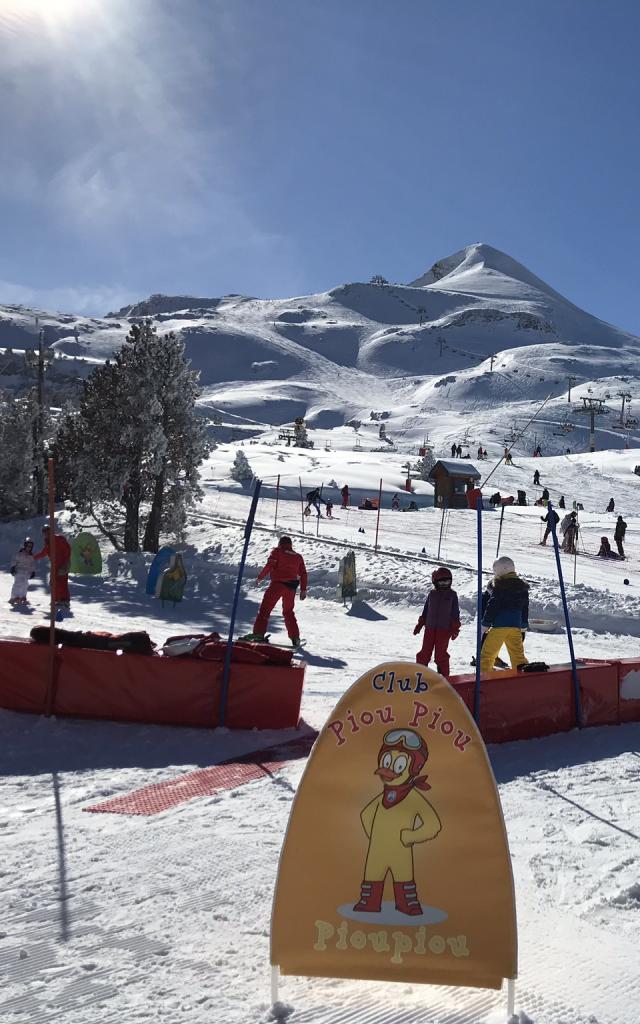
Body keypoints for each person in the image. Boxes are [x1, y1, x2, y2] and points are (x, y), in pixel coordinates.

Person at [252, 536, 307, 647]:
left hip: (277, 585)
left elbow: (269, 565)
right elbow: (304, 574)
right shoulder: (298, 557)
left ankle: (258, 634)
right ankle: (295, 638)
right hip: (291, 588)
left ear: (280, 543)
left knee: (265, 609)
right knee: (288, 612)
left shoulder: (277, 552)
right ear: (290, 544)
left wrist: (260, 578)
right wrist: (303, 589)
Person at [479, 557, 529, 673]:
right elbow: (525, 608)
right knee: (518, 656)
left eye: (495, 571)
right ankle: (523, 676)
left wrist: (485, 623)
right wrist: (523, 626)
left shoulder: (500, 586)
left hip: (499, 627)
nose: (495, 574)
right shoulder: (522, 587)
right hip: (515, 628)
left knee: (488, 654)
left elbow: (492, 606)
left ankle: (484, 676)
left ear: (503, 569)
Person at [413, 566, 460, 679]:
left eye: (447, 581)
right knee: (424, 653)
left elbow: (455, 613)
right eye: (441, 582)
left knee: (441, 655)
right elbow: (426, 610)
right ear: (435, 582)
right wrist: (420, 624)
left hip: (444, 631)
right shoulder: (432, 594)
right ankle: (420, 674)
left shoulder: (452, 595)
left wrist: (455, 628)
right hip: (430, 629)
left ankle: (445, 677)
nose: (445, 584)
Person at [34, 523, 72, 609]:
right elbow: (43, 553)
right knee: (53, 583)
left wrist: (66, 563)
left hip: (62, 564)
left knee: (62, 582)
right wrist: (32, 558)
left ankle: (65, 600)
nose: (46, 534)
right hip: (54, 566)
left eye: (47, 532)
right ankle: (57, 600)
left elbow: (68, 549)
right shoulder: (47, 543)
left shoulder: (59, 538)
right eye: (44, 532)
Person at [9, 537, 36, 606]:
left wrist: (33, 571)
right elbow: (14, 560)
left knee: (25, 585)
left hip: (26, 573)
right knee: (18, 584)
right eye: (27, 546)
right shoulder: (19, 554)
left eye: (30, 546)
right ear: (24, 546)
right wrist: (13, 567)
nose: (28, 548)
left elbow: (32, 564)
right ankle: (14, 597)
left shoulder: (31, 556)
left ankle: (23, 597)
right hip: (19, 571)